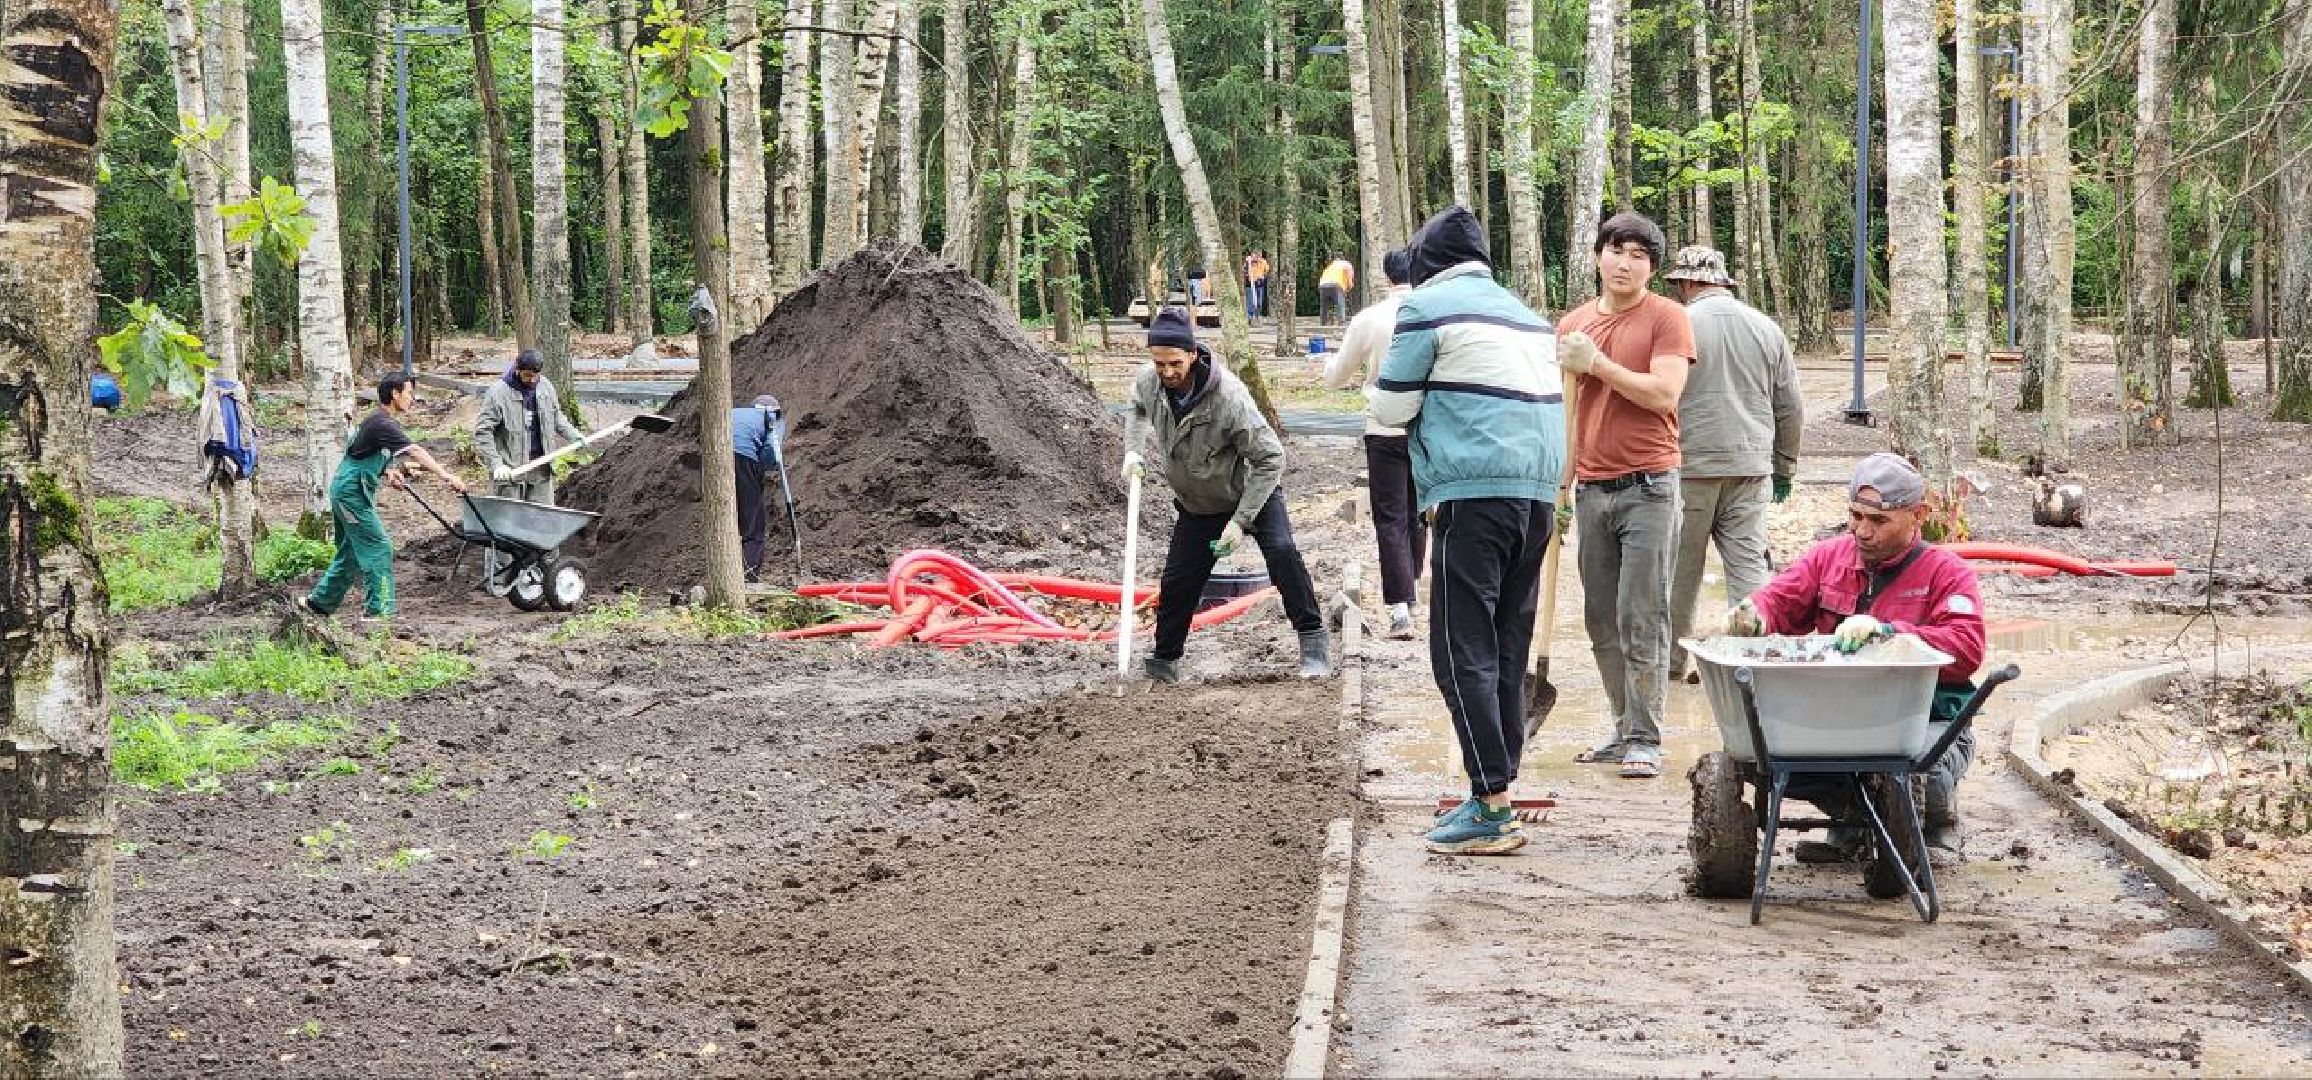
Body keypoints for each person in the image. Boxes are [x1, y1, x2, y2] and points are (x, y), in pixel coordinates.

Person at [1368, 206, 1565, 855]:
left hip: (1471, 492)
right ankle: (1499, 783)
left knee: (1459, 650)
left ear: (1425, 263)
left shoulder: (1428, 308)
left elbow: (1390, 406)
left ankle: (1489, 805)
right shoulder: (1528, 316)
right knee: (1506, 645)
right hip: (1536, 494)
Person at [1726, 453, 1985, 865]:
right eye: (1855, 516)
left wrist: (1891, 635)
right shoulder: (1829, 558)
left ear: (1917, 515)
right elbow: (1781, 600)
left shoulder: (1946, 573)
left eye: (1879, 521)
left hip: (1924, 716)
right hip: (1845, 717)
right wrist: (1754, 615)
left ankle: (1935, 825)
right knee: (1782, 760)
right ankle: (1854, 821)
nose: (1863, 531)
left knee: (1920, 773)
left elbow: (1967, 648)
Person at [1556, 211, 1696, 781]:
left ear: (1653, 269)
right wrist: (1558, 491)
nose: (1625, 262)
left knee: (1643, 614)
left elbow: (1664, 394)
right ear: (1597, 255)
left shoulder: (1668, 318)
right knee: (1599, 618)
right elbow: (1566, 414)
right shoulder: (1574, 323)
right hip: (1591, 489)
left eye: (1639, 255)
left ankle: (1646, 736)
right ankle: (1621, 725)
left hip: (1650, 487)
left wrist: (1599, 364)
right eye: (1617, 250)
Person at [1125, 307, 1331, 683]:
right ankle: (1165, 660)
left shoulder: (1229, 398)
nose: (1167, 372)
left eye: (1175, 363)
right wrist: (1133, 451)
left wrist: (1240, 522)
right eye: (1159, 364)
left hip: (1251, 492)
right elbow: (1136, 409)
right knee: (1178, 581)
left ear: (1192, 353)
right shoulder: (1148, 383)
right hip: (1199, 503)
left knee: (1282, 553)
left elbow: (1271, 457)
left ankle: (1313, 639)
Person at [1664, 246, 1803, 682]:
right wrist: (1784, 467)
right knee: (1748, 569)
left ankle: (1668, 664)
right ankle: (1748, 661)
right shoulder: (1766, 328)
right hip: (1750, 466)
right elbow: (1791, 406)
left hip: (1688, 467)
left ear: (1686, 284)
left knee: (1679, 574)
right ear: (1724, 281)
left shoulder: (1676, 326)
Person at [299, 375, 467, 621]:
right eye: (408, 393)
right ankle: (378, 612)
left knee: (352, 551)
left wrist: (388, 471)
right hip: (350, 494)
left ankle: (320, 604)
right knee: (378, 547)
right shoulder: (382, 424)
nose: (412, 399)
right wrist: (446, 475)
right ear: (395, 394)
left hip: (352, 490)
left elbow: (364, 452)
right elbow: (415, 451)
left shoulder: (379, 422)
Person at [1323, 247, 1423, 640]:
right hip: (1425, 427)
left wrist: (1326, 368)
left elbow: (1338, 374)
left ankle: (1401, 609)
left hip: (1383, 427)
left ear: (1385, 278)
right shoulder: (1433, 314)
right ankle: (1412, 586)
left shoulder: (1371, 318)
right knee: (1418, 509)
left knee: (1390, 516)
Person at [474, 350, 587, 585]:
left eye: (535, 376)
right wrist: (496, 464)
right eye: (526, 376)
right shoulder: (498, 394)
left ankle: (545, 577)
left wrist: (573, 435)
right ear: (517, 368)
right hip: (511, 472)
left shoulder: (545, 387)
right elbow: (483, 432)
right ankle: (500, 579)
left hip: (540, 469)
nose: (531, 381)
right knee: (505, 528)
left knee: (544, 523)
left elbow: (557, 418)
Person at [732, 394, 787, 582]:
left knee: (729, 513)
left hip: (714, 456)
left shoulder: (733, 412)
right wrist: (765, 466)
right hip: (744, 458)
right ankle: (749, 576)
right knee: (753, 525)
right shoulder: (772, 418)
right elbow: (772, 451)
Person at [1319, 255, 1356, 324]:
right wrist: (1348, 288)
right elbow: (1350, 280)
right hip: (1336, 284)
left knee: (1324, 306)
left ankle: (1323, 322)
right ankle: (1341, 322)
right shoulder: (1347, 264)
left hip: (1323, 285)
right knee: (1340, 304)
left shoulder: (1331, 266)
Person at [1245, 250, 1271, 317]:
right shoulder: (1248, 262)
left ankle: (1257, 315)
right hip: (1250, 284)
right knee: (1250, 301)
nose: (1254, 258)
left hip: (1259, 284)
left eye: (1256, 256)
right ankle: (1250, 316)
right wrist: (1248, 263)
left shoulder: (1262, 262)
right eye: (1253, 256)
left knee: (1259, 302)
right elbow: (1244, 271)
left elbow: (1267, 270)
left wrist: (1262, 277)